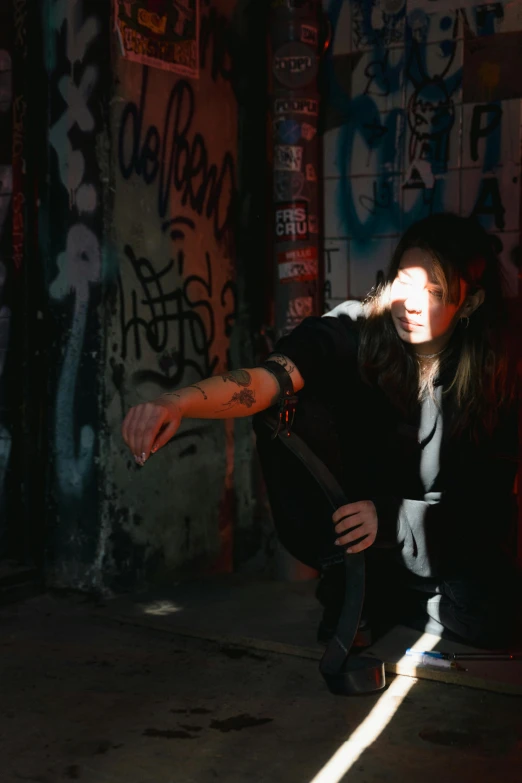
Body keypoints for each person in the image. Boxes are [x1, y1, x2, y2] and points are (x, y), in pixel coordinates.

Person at [122, 213, 521, 649]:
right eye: (405, 283)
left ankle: (370, 594)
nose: (412, 303)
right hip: (346, 523)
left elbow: (486, 514)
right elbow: (265, 381)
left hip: (425, 534)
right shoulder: (356, 329)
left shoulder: (493, 380)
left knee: (496, 613)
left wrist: (391, 519)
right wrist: (176, 402)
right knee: (287, 404)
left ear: (469, 303)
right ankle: (349, 577)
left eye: (436, 292)